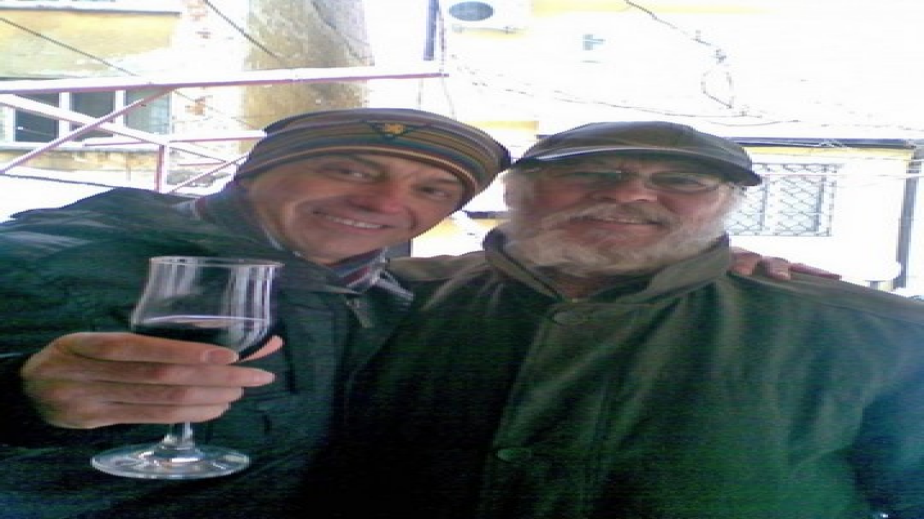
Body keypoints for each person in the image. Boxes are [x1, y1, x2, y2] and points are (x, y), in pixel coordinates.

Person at [324, 121, 924, 519]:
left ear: (727, 205)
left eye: (681, 182)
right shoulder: (382, 299)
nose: (630, 194)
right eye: (589, 173)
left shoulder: (871, 334)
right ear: (516, 191)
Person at [0, 107, 511, 518]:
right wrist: (20, 397)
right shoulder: (40, 261)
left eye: (432, 190)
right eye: (349, 170)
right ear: (251, 175)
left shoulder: (383, 296)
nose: (383, 202)